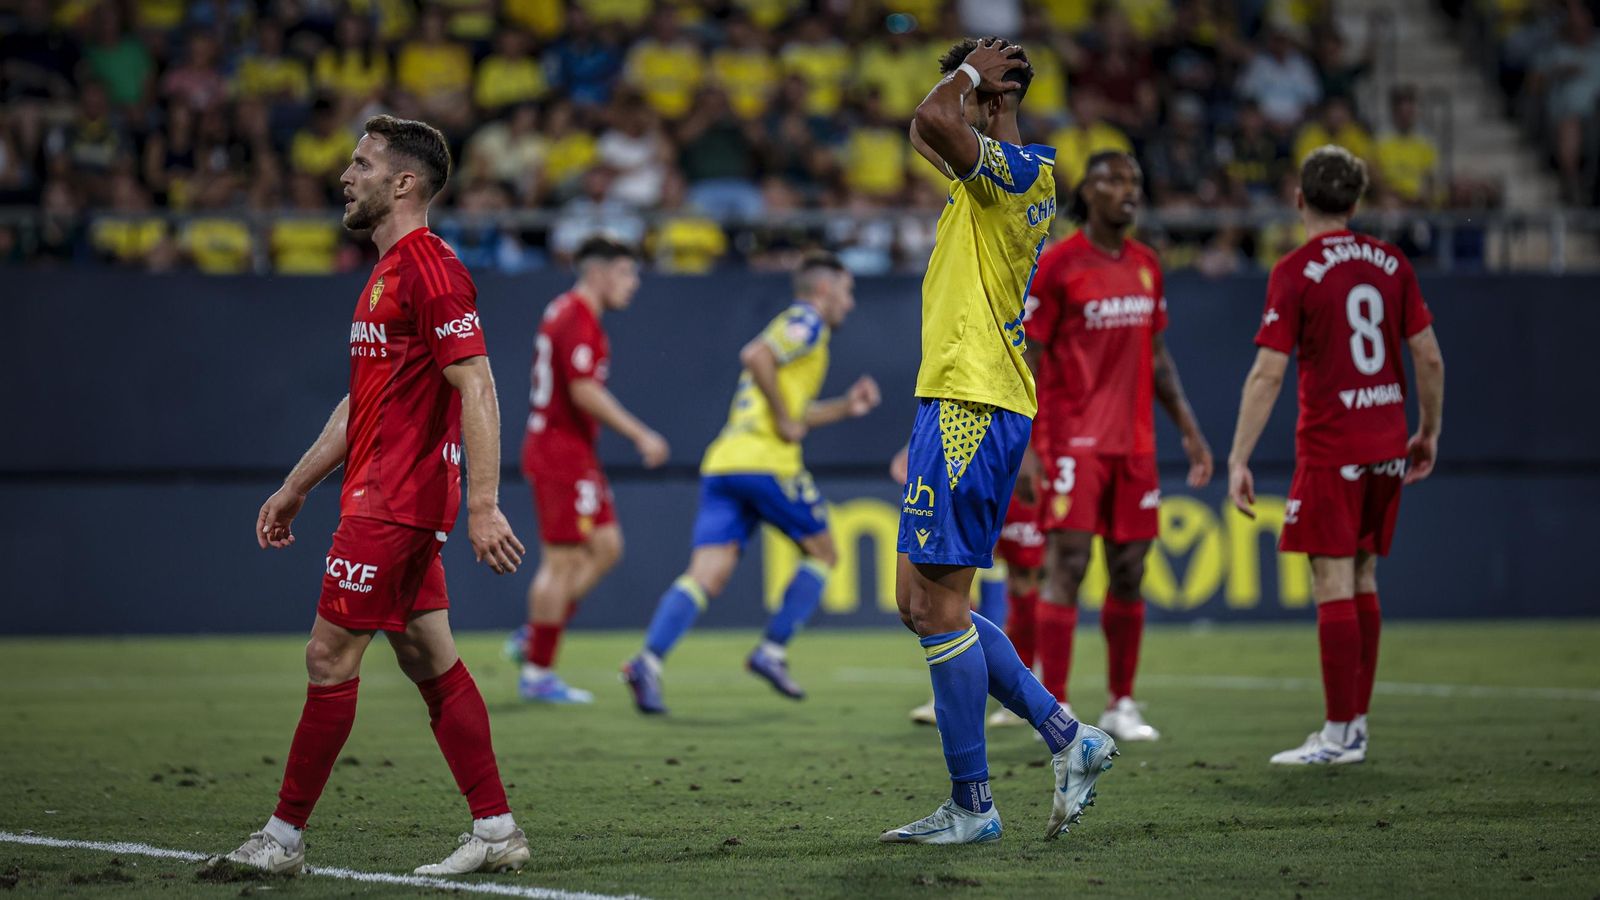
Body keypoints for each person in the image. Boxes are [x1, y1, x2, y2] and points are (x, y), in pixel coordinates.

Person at [219, 115, 529, 876]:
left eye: (361, 164)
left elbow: (479, 384)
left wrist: (485, 504)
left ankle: (282, 840)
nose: (344, 176)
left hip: (394, 502)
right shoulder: (388, 272)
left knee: (328, 658)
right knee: (430, 657)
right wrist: (297, 484)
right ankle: (496, 829)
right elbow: (362, 404)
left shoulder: (429, 267)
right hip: (384, 497)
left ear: (404, 183)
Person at [882, 36, 1116, 847]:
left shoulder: (1022, 174)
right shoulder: (985, 186)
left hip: (972, 402)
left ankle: (973, 804)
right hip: (954, 397)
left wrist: (976, 77)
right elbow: (926, 128)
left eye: (967, 93)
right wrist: (965, 79)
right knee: (916, 601)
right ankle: (1070, 739)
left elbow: (929, 118)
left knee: (940, 607)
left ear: (990, 107)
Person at [1226, 145, 1445, 765]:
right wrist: (1427, 430)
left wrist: (1239, 457)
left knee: (1331, 582)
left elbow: (1268, 375)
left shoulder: (1295, 270)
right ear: (1356, 202)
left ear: (1299, 199)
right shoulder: (1392, 262)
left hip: (1332, 448)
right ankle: (1356, 726)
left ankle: (1339, 732)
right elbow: (1428, 355)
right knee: (1364, 576)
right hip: (1385, 444)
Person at [622, 251, 880, 714]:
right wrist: (783, 417)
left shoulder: (802, 337)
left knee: (706, 575)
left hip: (726, 463)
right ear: (823, 290)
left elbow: (793, 412)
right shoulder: (807, 320)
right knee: (825, 552)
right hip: (766, 463)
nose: (850, 303)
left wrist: (843, 407)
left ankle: (648, 661)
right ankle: (772, 651)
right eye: (846, 291)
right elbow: (756, 356)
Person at [1027, 150, 1214, 741]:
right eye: (1113, 179)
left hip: (1134, 446)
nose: (1128, 189)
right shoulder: (1058, 266)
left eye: (1134, 178)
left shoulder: (1147, 265)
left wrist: (1187, 425)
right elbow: (1026, 358)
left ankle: (1121, 703)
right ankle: (1052, 711)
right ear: (1087, 192)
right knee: (1069, 567)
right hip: (1073, 441)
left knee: (1130, 571)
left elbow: (1158, 359)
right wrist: (1030, 446)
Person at [511, 236, 669, 703]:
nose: (633, 285)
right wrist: (641, 434)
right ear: (598, 273)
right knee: (560, 562)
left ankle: (535, 632)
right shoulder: (576, 316)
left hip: (573, 451)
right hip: (559, 451)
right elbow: (583, 391)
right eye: (626, 274)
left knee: (606, 546)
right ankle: (538, 671)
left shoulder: (570, 312)